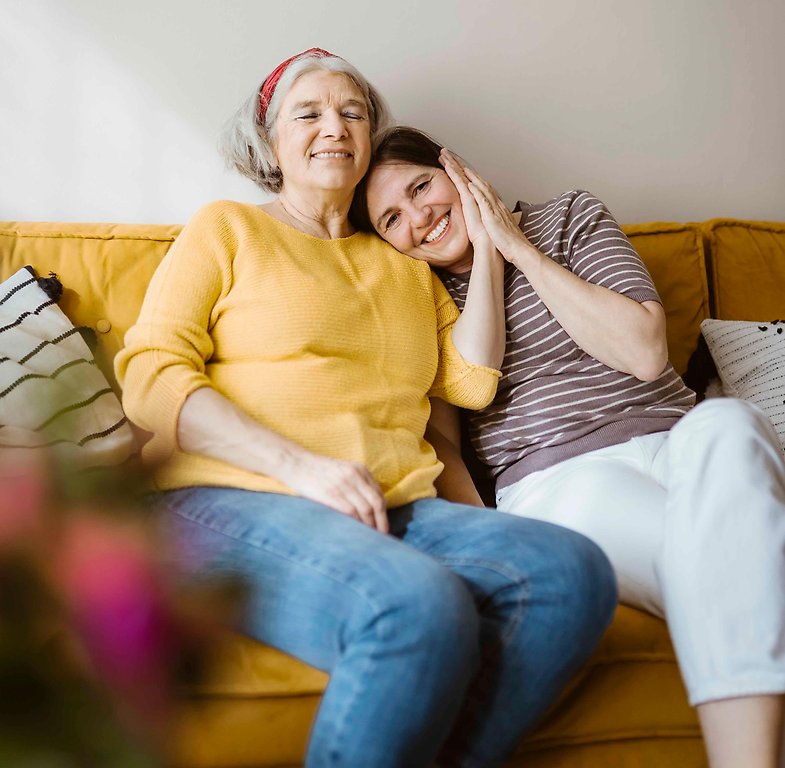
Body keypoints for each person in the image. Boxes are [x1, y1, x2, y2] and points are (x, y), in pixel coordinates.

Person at [115, 50, 617, 768]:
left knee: (570, 573)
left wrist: (490, 244)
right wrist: (301, 468)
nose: (334, 126)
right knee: (419, 603)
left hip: (387, 506)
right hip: (225, 499)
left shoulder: (403, 265)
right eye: (308, 112)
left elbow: (472, 381)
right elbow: (148, 373)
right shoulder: (226, 229)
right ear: (267, 140)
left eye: (352, 111)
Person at [353, 125, 785, 768]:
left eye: (422, 187)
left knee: (728, 425)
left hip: (680, 440)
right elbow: (440, 438)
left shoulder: (570, 218)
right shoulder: (417, 294)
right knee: (728, 550)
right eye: (393, 218)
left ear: (455, 168)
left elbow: (643, 352)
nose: (420, 217)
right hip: (562, 480)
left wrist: (513, 247)